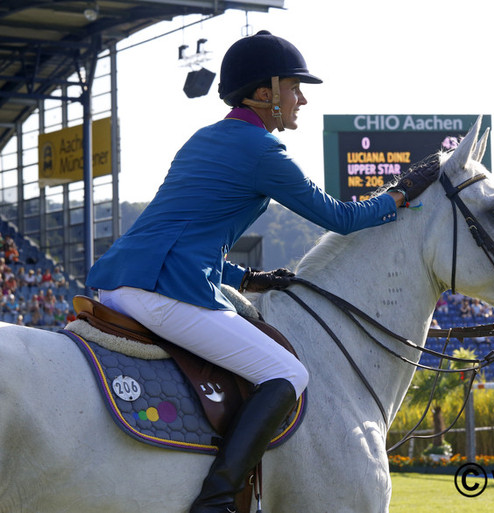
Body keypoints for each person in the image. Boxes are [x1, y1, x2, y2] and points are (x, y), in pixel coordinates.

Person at [84, 31, 440, 513]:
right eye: (295, 87)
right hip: (163, 290)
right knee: (287, 371)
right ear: (264, 92)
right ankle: (216, 502)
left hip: (123, 281)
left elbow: (186, 234)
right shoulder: (261, 151)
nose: (302, 98)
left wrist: (245, 279)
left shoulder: (204, 138)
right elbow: (341, 218)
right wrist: (400, 192)